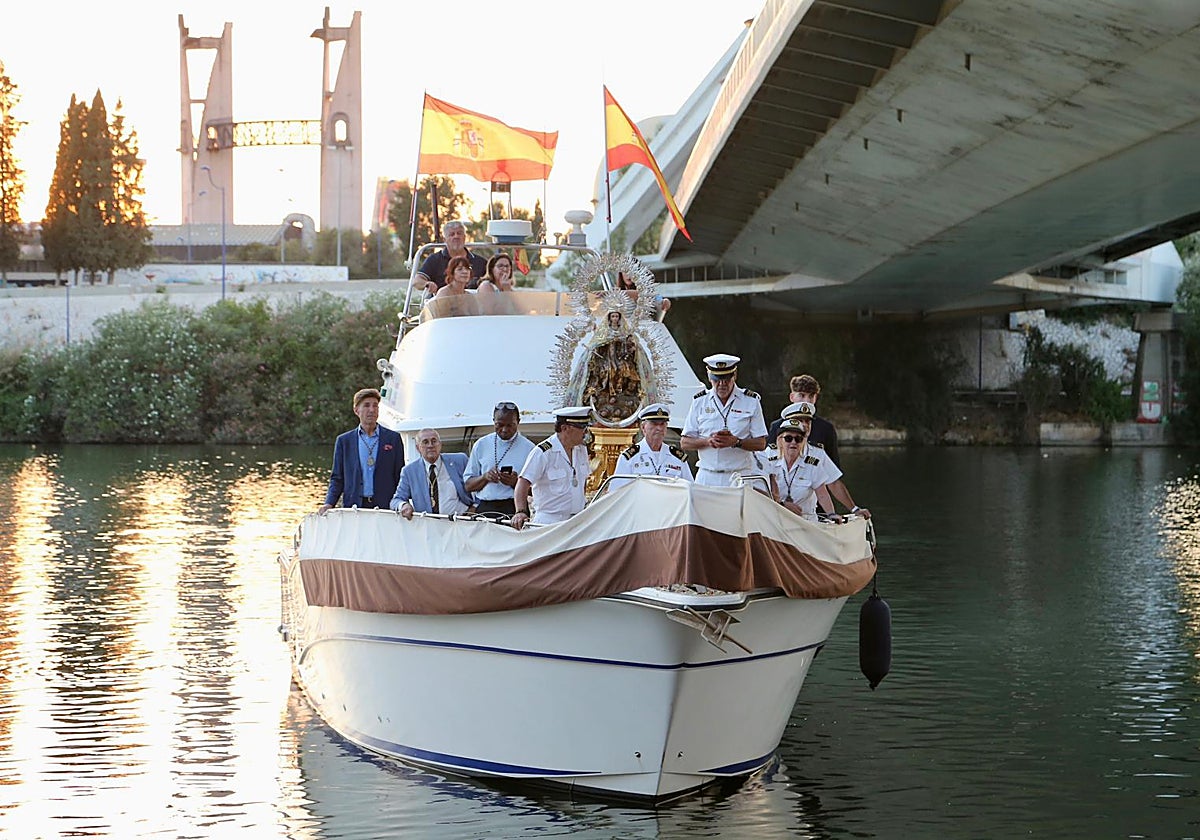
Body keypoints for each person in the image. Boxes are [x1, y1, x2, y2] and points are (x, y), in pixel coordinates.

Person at [680, 354, 768, 486]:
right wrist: (708, 441)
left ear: (735, 375)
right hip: (707, 476)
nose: (722, 384)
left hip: (738, 476)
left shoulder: (751, 401)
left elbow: (761, 443)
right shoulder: (700, 401)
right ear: (709, 377)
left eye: (726, 379)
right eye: (717, 380)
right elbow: (685, 442)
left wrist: (736, 442)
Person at [779, 401, 870, 518]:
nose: (805, 425)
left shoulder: (817, 453)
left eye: (807, 421)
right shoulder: (770, 454)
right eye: (800, 421)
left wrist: (854, 509)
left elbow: (833, 483)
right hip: (775, 518)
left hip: (805, 519)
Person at [320, 388, 404, 512]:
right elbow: (337, 478)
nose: (372, 410)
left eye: (375, 406)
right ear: (356, 410)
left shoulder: (393, 439)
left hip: (386, 508)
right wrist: (329, 503)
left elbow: (400, 475)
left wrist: (402, 503)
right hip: (354, 507)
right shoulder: (344, 441)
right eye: (366, 405)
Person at [511, 406, 592, 529]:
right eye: (582, 428)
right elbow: (522, 483)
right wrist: (520, 511)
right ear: (565, 428)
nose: (586, 433)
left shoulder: (581, 450)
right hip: (549, 522)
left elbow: (582, 483)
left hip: (576, 521)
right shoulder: (543, 452)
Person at [464, 401, 536, 516]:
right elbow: (468, 486)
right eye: (499, 424)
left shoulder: (530, 449)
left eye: (510, 425)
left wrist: (516, 483)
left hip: (516, 508)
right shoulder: (481, 444)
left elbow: (538, 491)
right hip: (486, 507)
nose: (504, 429)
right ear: (493, 421)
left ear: (518, 422)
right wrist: (485, 477)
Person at [770, 403, 840, 521]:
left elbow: (822, 494)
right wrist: (782, 504)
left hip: (805, 521)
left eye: (798, 439)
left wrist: (831, 514)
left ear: (803, 441)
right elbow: (761, 492)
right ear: (780, 441)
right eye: (788, 438)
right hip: (775, 519)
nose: (793, 442)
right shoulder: (768, 460)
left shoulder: (812, 464)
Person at [390, 428, 474, 519]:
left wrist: (475, 507)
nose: (430, 445)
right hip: (429, 525)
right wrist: (404, 505)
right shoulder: (409, 471)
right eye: (425, 442)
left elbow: (476, 483)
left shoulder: (460, 460)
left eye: (434, 441)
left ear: (440, 444)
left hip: (460, 522)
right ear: (418, 448)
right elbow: (396, 500)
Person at [609, 403, 693, 490]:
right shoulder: (630, 458)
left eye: (662, 424)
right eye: (654, 424)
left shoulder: (677, 457)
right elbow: (616, 491)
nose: (659, 428)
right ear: (643, 427)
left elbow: (689, 488)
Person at [414, 219, 488, 294]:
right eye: (452, 234)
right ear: (445, 239)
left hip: (473, 303)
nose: (456, 236)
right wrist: (426, 284)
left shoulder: (480, 262)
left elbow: (492, 281)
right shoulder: (434, 260)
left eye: (459, 233)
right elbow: (417, 280)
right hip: (442, 303)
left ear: (465, 237)